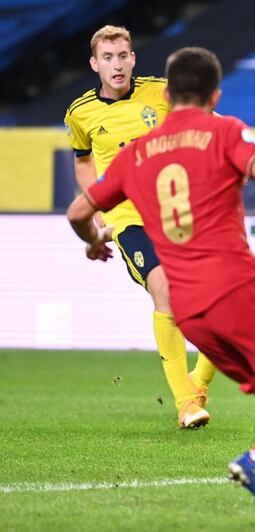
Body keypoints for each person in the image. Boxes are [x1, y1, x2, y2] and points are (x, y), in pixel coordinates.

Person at [67, 47, 255, 524]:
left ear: (167, 95)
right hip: (234, 288)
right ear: (215, 94)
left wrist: (94, 242)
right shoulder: (224, 129)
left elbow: (77, 212)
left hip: (190, 313)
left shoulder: (136, 154)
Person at [64, 25, 216, 428]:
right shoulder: (80, 113)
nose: (117, 65)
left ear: (133, 58)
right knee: (163, 286)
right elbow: (83, 159)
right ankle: (186, 404)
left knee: (219, 303)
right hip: (129, 217)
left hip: (179, 211)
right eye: (108, 58)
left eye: (123, 56)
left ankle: (198, 383)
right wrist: (98, 201)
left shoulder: (162, 92)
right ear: (95, 64)